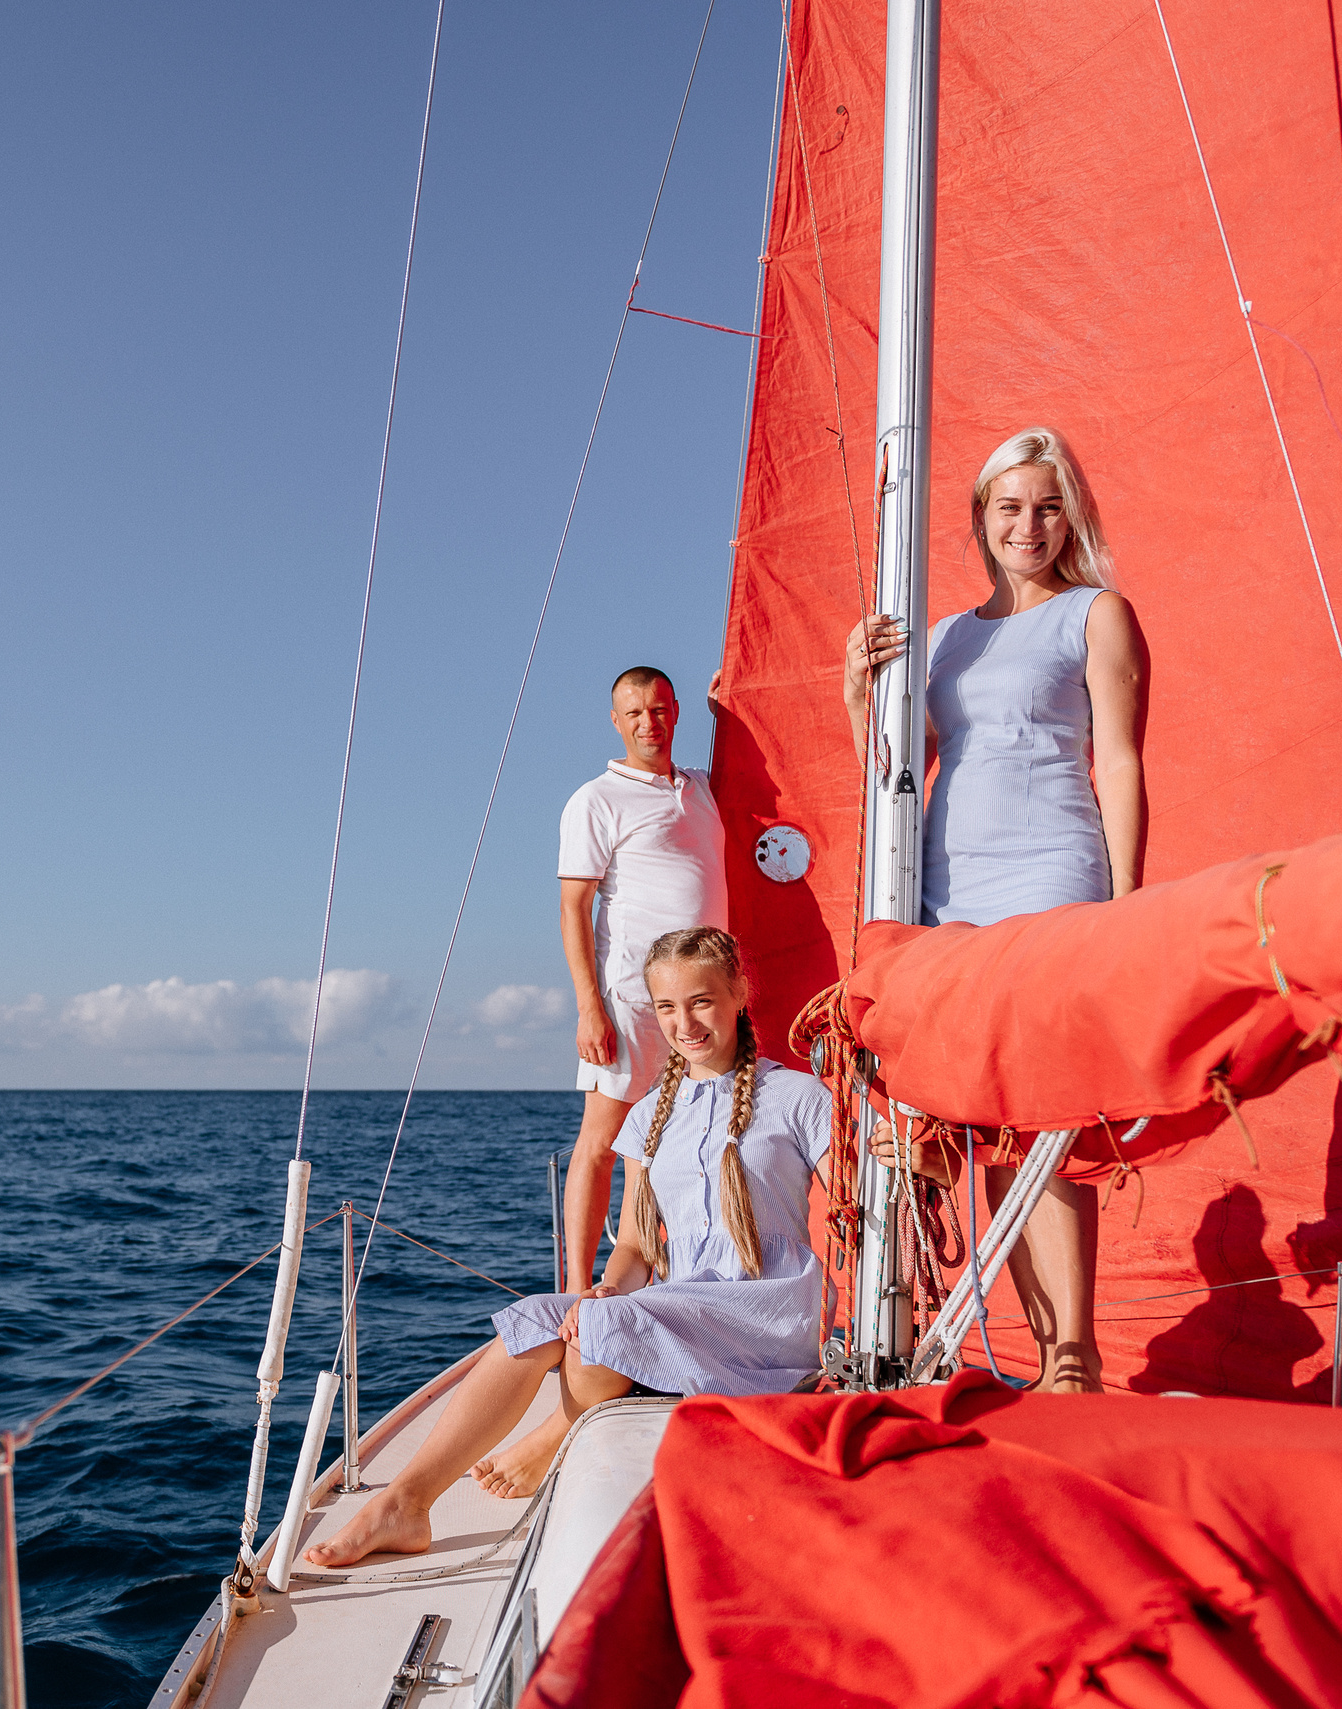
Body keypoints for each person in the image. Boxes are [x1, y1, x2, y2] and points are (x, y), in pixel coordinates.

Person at [304, 927, 896, 1568]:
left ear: (739, 995)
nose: (685, 1022)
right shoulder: (648, 1116)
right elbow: (638, 1245)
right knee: (543, 1316)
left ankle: (547, 1438)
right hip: (678, 1298)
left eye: (700, 1001)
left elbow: (860, 1195)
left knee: (601, 1329)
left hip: (764, 1307)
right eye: (667, 1007)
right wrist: (610, 1286)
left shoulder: (798, 1096)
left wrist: (897, 1155)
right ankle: (407, 1502)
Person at [841, 426, 1150, 1394]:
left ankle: (1074, 1355)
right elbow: (897, 772)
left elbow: (1122, 762)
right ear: (980, 519)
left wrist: (1130, 906)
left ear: (1071, 516)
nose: (1029, 524)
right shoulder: (943, 638)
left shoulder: (1097, 615)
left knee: (1046, 1116)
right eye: (1009, 507)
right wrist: (859, 692)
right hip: (949, 889)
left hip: (1054, 876)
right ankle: (1046, 1347)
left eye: (1047, 506)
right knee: (977, 1121)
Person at [558, 669, 726, 1306]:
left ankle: (652, 1280)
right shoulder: (597, 799)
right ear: (616, 720)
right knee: (602, 1142)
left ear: (676, 712)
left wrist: (728, 704)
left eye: (659, 710)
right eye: (634, 713)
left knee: (669, 1146)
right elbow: (574, 908)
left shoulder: (703, 790)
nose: (647, 723)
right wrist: (588, 1009)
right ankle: (577, 1290)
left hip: (703, 1001)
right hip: (629, 997)